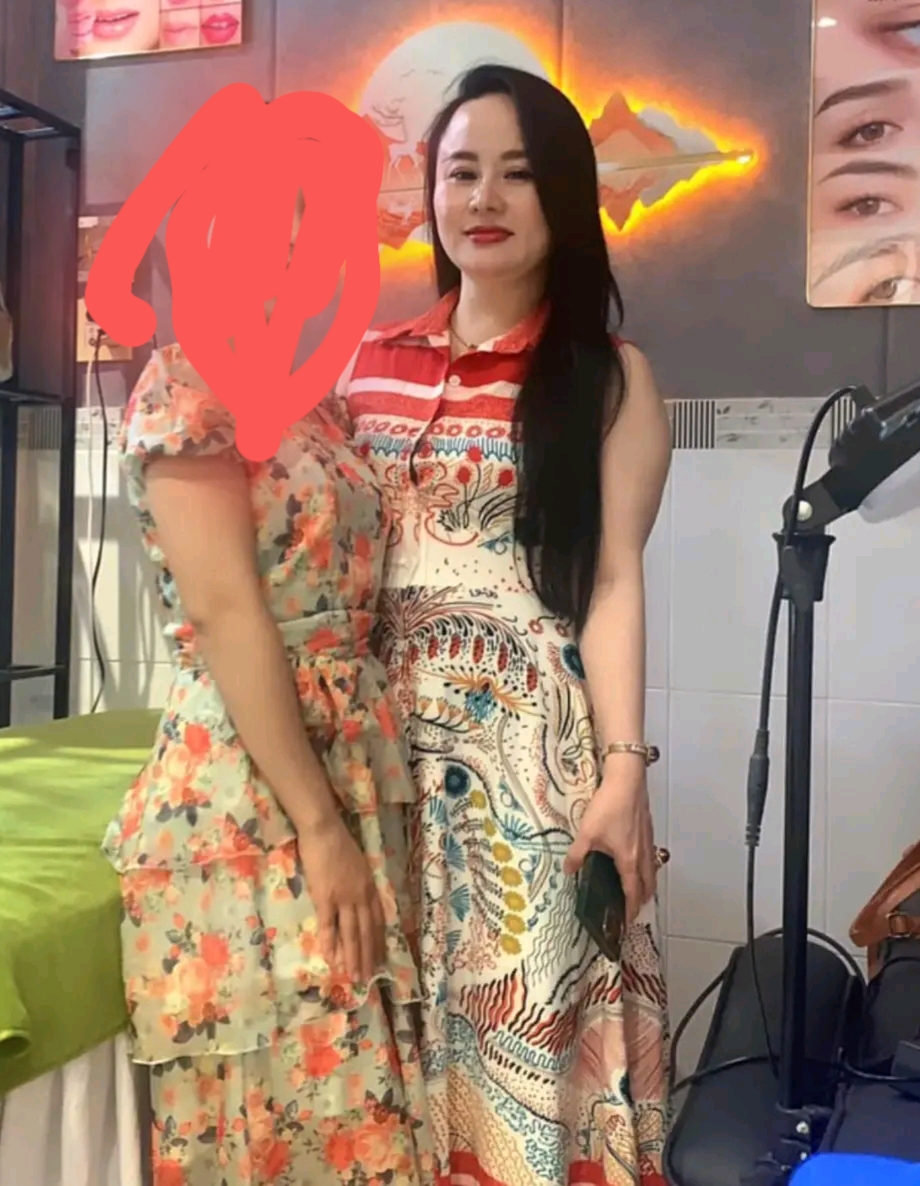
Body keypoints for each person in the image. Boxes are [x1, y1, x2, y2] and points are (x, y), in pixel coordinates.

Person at [327, 63, 672, 1186]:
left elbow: (612, 583)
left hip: (537, 786)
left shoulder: (610, 380)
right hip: (380, 781)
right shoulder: (363, 370)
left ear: (563, 197)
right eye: (460, 171)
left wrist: (624, 773)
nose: (483, 198)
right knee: (378, 1067)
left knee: (524, 1072)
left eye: (517, 175)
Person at [101, 193, 434, 1185]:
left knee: (365, 1101)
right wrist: (319, 826)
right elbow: (225, 614)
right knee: (292, 1107)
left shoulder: (318, 401)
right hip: (254, 783)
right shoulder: (186, 383)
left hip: (351, 761)